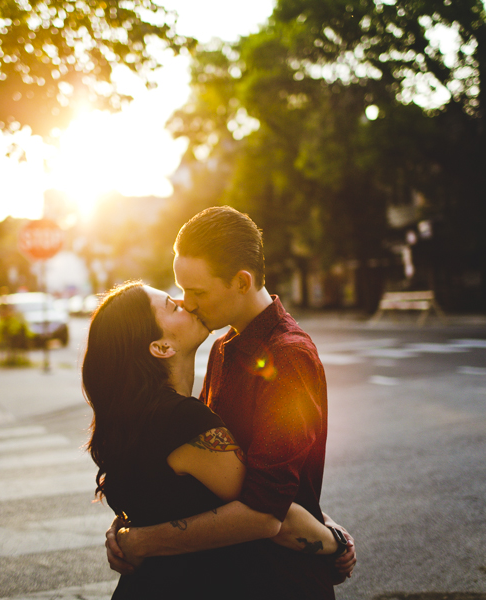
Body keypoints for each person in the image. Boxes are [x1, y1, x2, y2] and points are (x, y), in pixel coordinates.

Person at [106, 206, 356, 598]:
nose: (187, 303)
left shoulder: (288, 357)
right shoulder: (223, 345)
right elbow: (218, 473)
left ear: (241, 281)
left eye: (198, 292)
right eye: (181, 289)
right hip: (234, 573)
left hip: (281, 580)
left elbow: (265, 507)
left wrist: (141, 540)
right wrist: (131, 520)